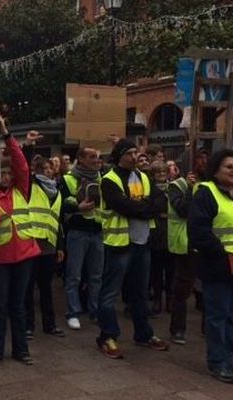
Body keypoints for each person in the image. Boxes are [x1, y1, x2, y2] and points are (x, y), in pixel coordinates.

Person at [96, 139, 169, 359]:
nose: (135, 156)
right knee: (110, 292)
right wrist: (147, 208)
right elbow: (123, 206)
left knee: (140, 292)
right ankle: (107, 336)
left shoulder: (144, 177)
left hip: (142, 242)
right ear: (120, 156)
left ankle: (144, 334)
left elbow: (161, 199)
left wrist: (144, 208)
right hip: (120, 245)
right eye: (130, 152)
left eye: (136, 152)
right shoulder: (110, 179)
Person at [0, 118, 41, 367]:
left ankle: (21, 350)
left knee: (18, 306)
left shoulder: (21, 188)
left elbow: (22, 165)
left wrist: (7, 134)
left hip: (24, 256)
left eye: (8, 173)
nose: (6, 177)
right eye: (1, 173)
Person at [188, 149, 233, 383]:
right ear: (216, 170)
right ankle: (219, 362)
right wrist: (223, 254)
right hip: (217, 266)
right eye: (229, 167)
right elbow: (199, 233)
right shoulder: (206, 194)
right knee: (218, 316)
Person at [60, 147, 103, 330]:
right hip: (77, 231)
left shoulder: (102, 177)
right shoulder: (68, 178)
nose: (96, 160)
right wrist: (78, 206)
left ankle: (94, 311)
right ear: (81, 159)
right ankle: (73, 313)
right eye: (92, 157)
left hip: (98, 231)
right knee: (74, 276)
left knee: (96, 276)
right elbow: (62, 204)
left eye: (97, 157)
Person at [168, 151, 207, 346]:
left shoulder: (210, 185)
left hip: (206, 243)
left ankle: (207, 328)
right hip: (186, 244)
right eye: (199, 158)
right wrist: (191, 190)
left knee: (209, 288)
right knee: (182, 290)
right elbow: (183, 210)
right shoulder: (177, 186)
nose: (204, 162)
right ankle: (178, 329)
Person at [25, 156, 65, 338]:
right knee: (28, 288)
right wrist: (29, 148)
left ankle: (50, 325)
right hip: (31, 243)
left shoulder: (56, 190)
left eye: (50, 168)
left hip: (49, 245)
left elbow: (58, 221)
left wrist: (60, 246)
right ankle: (28, 325)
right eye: (45, 169)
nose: (48, 171)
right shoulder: (30, 186)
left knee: (46, 288)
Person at [148, 161, 173, 315]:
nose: (162, 176)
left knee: (171, 270)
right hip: (156, 232)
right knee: (156, 270)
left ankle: (169, 299)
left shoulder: (173, 188)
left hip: (170, 232)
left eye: (164, 173)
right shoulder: (151, 189)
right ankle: (157, 299)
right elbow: (153, 207)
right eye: (158, 173)